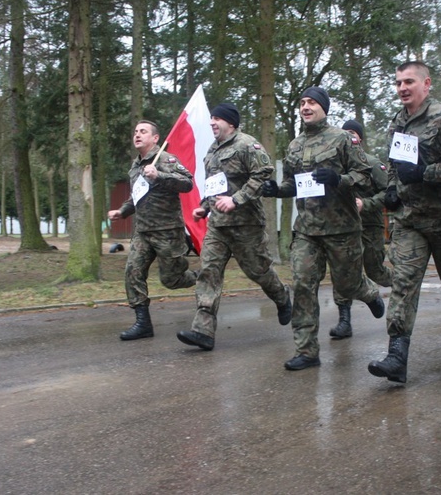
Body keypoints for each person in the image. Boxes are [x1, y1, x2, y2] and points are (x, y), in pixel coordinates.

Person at [368, 61, 441, 384]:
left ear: (426, 84)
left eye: (409, 82)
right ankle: (397, 357)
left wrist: (425, 173)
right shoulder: (396, 123)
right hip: (409, 221)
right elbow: (393, 164)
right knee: (403, 284)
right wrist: (391, 190)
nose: (402, 88)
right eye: (398, 82)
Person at [262, 86, 385, 370]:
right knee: (303, 284)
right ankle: (307, 351)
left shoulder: (343, 139)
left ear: (324, 108)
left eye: (312, 103)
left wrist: (338, 179)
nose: (305, 107)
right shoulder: (294, 145)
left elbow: (364, 176)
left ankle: (369, 293)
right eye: (302, 102)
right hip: (307, 230)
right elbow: (294, 184)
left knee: (347, 285)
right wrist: (276, 190)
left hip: (342, 229)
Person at [176, 103, 292, 351]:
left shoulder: (247, 144)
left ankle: (282, 296)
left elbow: (263, 174)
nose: (211, 123)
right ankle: (203, 330)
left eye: (217, 118)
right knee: (209, 271)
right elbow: (214, 186)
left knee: (258, 271)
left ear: (230, 122)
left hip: (246, 225)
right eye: (211, 118)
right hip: (218, 226)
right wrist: (204, 207)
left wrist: (236, 199)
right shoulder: (212, 151)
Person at [108, 120, 198, 340]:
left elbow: (188, 182)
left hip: (167, 231)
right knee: (133, 272)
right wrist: (123, 211)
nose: (137, 135)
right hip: (143, 232)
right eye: (136, 131)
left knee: (171, 280)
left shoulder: (166, 160)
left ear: (155, 138)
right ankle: (143, 324)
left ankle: (202, 277)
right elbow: (137, 196)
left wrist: (160, 175)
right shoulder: (135, 166)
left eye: (143, 132)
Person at [327, 119, 393, 340]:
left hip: (369, 226)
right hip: (343, 228)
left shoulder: (372, 164)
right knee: (342, 271)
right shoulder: (335, 168)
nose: (348, 136)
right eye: (344, 133)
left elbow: (389, 193)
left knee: (375, 270)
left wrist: (366, 204)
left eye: (352, 133)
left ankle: (404, 282)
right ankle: (344, 321)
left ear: (360, 139)